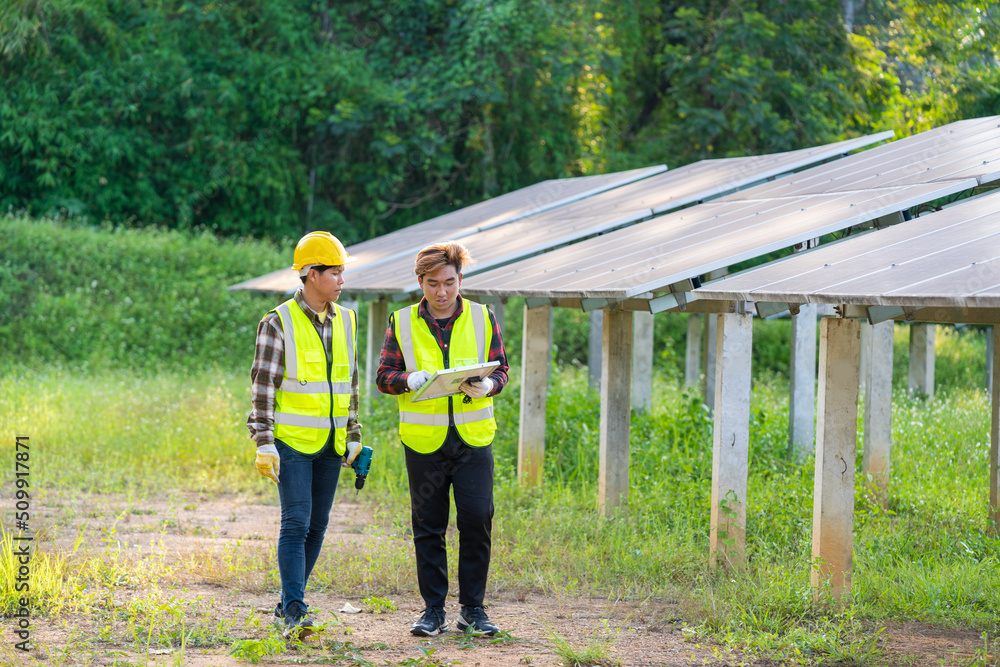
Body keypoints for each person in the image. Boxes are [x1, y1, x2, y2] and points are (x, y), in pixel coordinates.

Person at [376, 241, 508, 637]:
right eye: (432, 283)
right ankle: (433, 610)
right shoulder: (401, 322)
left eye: (449, 282)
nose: (442, 291)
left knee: (476, 519)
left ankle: (473, 610)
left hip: (472, 440)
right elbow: (383, 376)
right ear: (420, 282)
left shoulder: (484, 318)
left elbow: (502, 370)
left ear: (460, 279)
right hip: (424, 442)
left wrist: (490, 385)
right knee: (428, 525)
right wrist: (407, 380)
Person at [247, 231, 363, 639]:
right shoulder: (277, 323)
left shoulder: (347, 319)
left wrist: (353, 433)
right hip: (291, 444)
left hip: (331, 445)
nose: (341, 281)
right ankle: (296, 609)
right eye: (334, 273)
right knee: (296, 522)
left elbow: (350, 381)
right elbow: (263, 386)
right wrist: (263, 441)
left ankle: (287, 602)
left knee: (318, 525)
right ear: (311, 275)